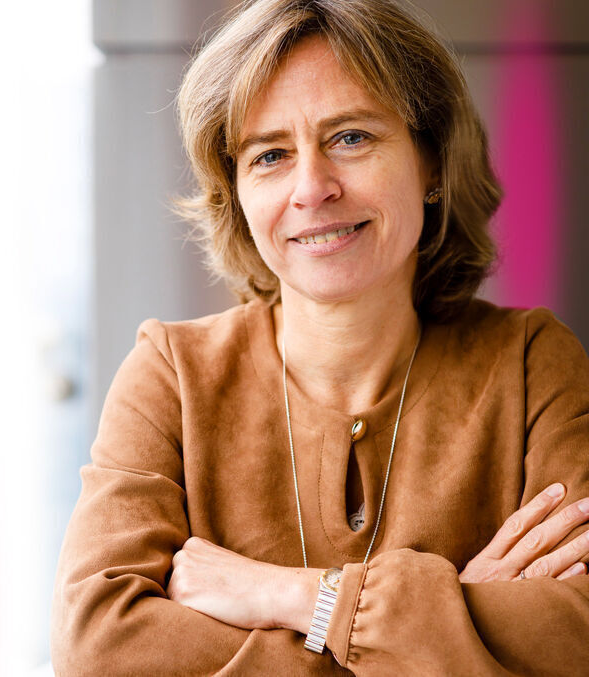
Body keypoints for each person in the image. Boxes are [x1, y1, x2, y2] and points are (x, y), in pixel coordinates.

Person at [50, 0, 589, 674]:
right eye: (271, 155)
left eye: (351, 137)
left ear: (430, 161)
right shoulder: (171, 375)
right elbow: (98, 647)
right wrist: (437, 626)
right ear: (237, 194)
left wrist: (294, 597)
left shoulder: (533, 363)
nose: (312, 188)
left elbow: (578, 635)